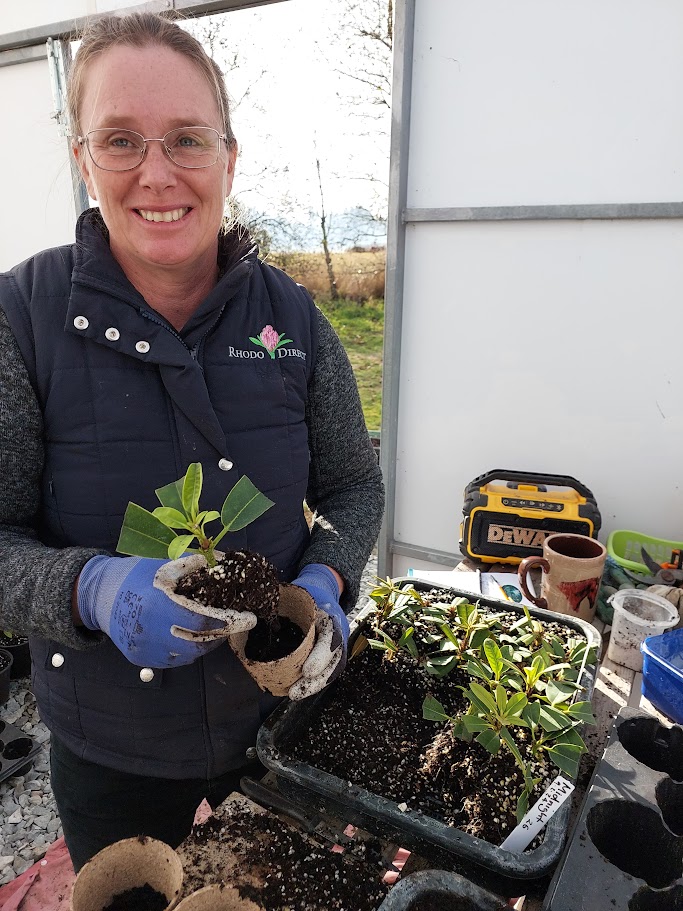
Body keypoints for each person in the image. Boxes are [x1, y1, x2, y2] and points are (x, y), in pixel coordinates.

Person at [0, 12, 383, 871]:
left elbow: (355, 486)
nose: (158, 173)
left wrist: (325, 576)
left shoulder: (291, 320)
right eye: (121, 140)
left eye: (187, 139)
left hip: (281, 726)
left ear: (230, 157)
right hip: (113, 753)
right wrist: (89, 588)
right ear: (82, 159)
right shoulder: (22, 319)